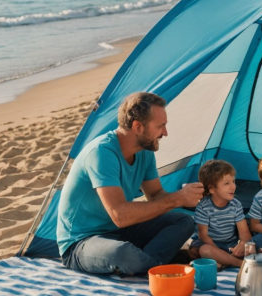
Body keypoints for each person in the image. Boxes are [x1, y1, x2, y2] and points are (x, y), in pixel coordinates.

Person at [57, 92, 203, 275]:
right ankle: (154, 265)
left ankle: (145, 265)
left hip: (121, 231)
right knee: (122, 253)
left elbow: (156, 195)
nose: (165, 133)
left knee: (183, 222)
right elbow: (120, 215)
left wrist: (189, 197)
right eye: (160, 126)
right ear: (138, 127)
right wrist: (177, 199)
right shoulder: (102, 153)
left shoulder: (145, 151)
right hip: (82, 241)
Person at [190, 160, 252, 268]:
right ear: (212, 189)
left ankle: (222, 261)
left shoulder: (235, 204)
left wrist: (242, 245)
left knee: (252, 248)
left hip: (230, 244)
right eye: (227, 183)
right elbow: (204, 236)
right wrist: (218, 252)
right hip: (211, 244)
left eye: (233, 181)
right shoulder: (203, 207)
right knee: (205, 250)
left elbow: (244, 232)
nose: (233, 187)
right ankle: (239, 263)